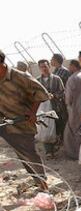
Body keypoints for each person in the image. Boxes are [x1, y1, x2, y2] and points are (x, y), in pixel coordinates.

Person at [0, 50, 49, 190]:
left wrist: (32, 112)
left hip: (22, 122)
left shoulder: (20, 77)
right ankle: (37, 181)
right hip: (4, 123)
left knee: (28, 153)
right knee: (20, 155)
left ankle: (42, 183)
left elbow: (42, 93)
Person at [37, 59, 66, 156]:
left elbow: (62, 92)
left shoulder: (56, 79)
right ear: (39, 68)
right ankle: (49, 151)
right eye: (41, 67)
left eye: (45, 66)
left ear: (49, 66)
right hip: (43, 110)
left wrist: (54, 96)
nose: (44, 69)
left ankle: (55, 147)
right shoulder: (37, 81)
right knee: (46, 128)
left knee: (57, 128)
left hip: (56, 108)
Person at [63, 60, 81, 159]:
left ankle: (76, 154)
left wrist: (67, 104)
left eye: (70, 65)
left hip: (75, 109)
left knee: (74, 131)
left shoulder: (72, 78)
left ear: (73, 66)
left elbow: (68, 98)